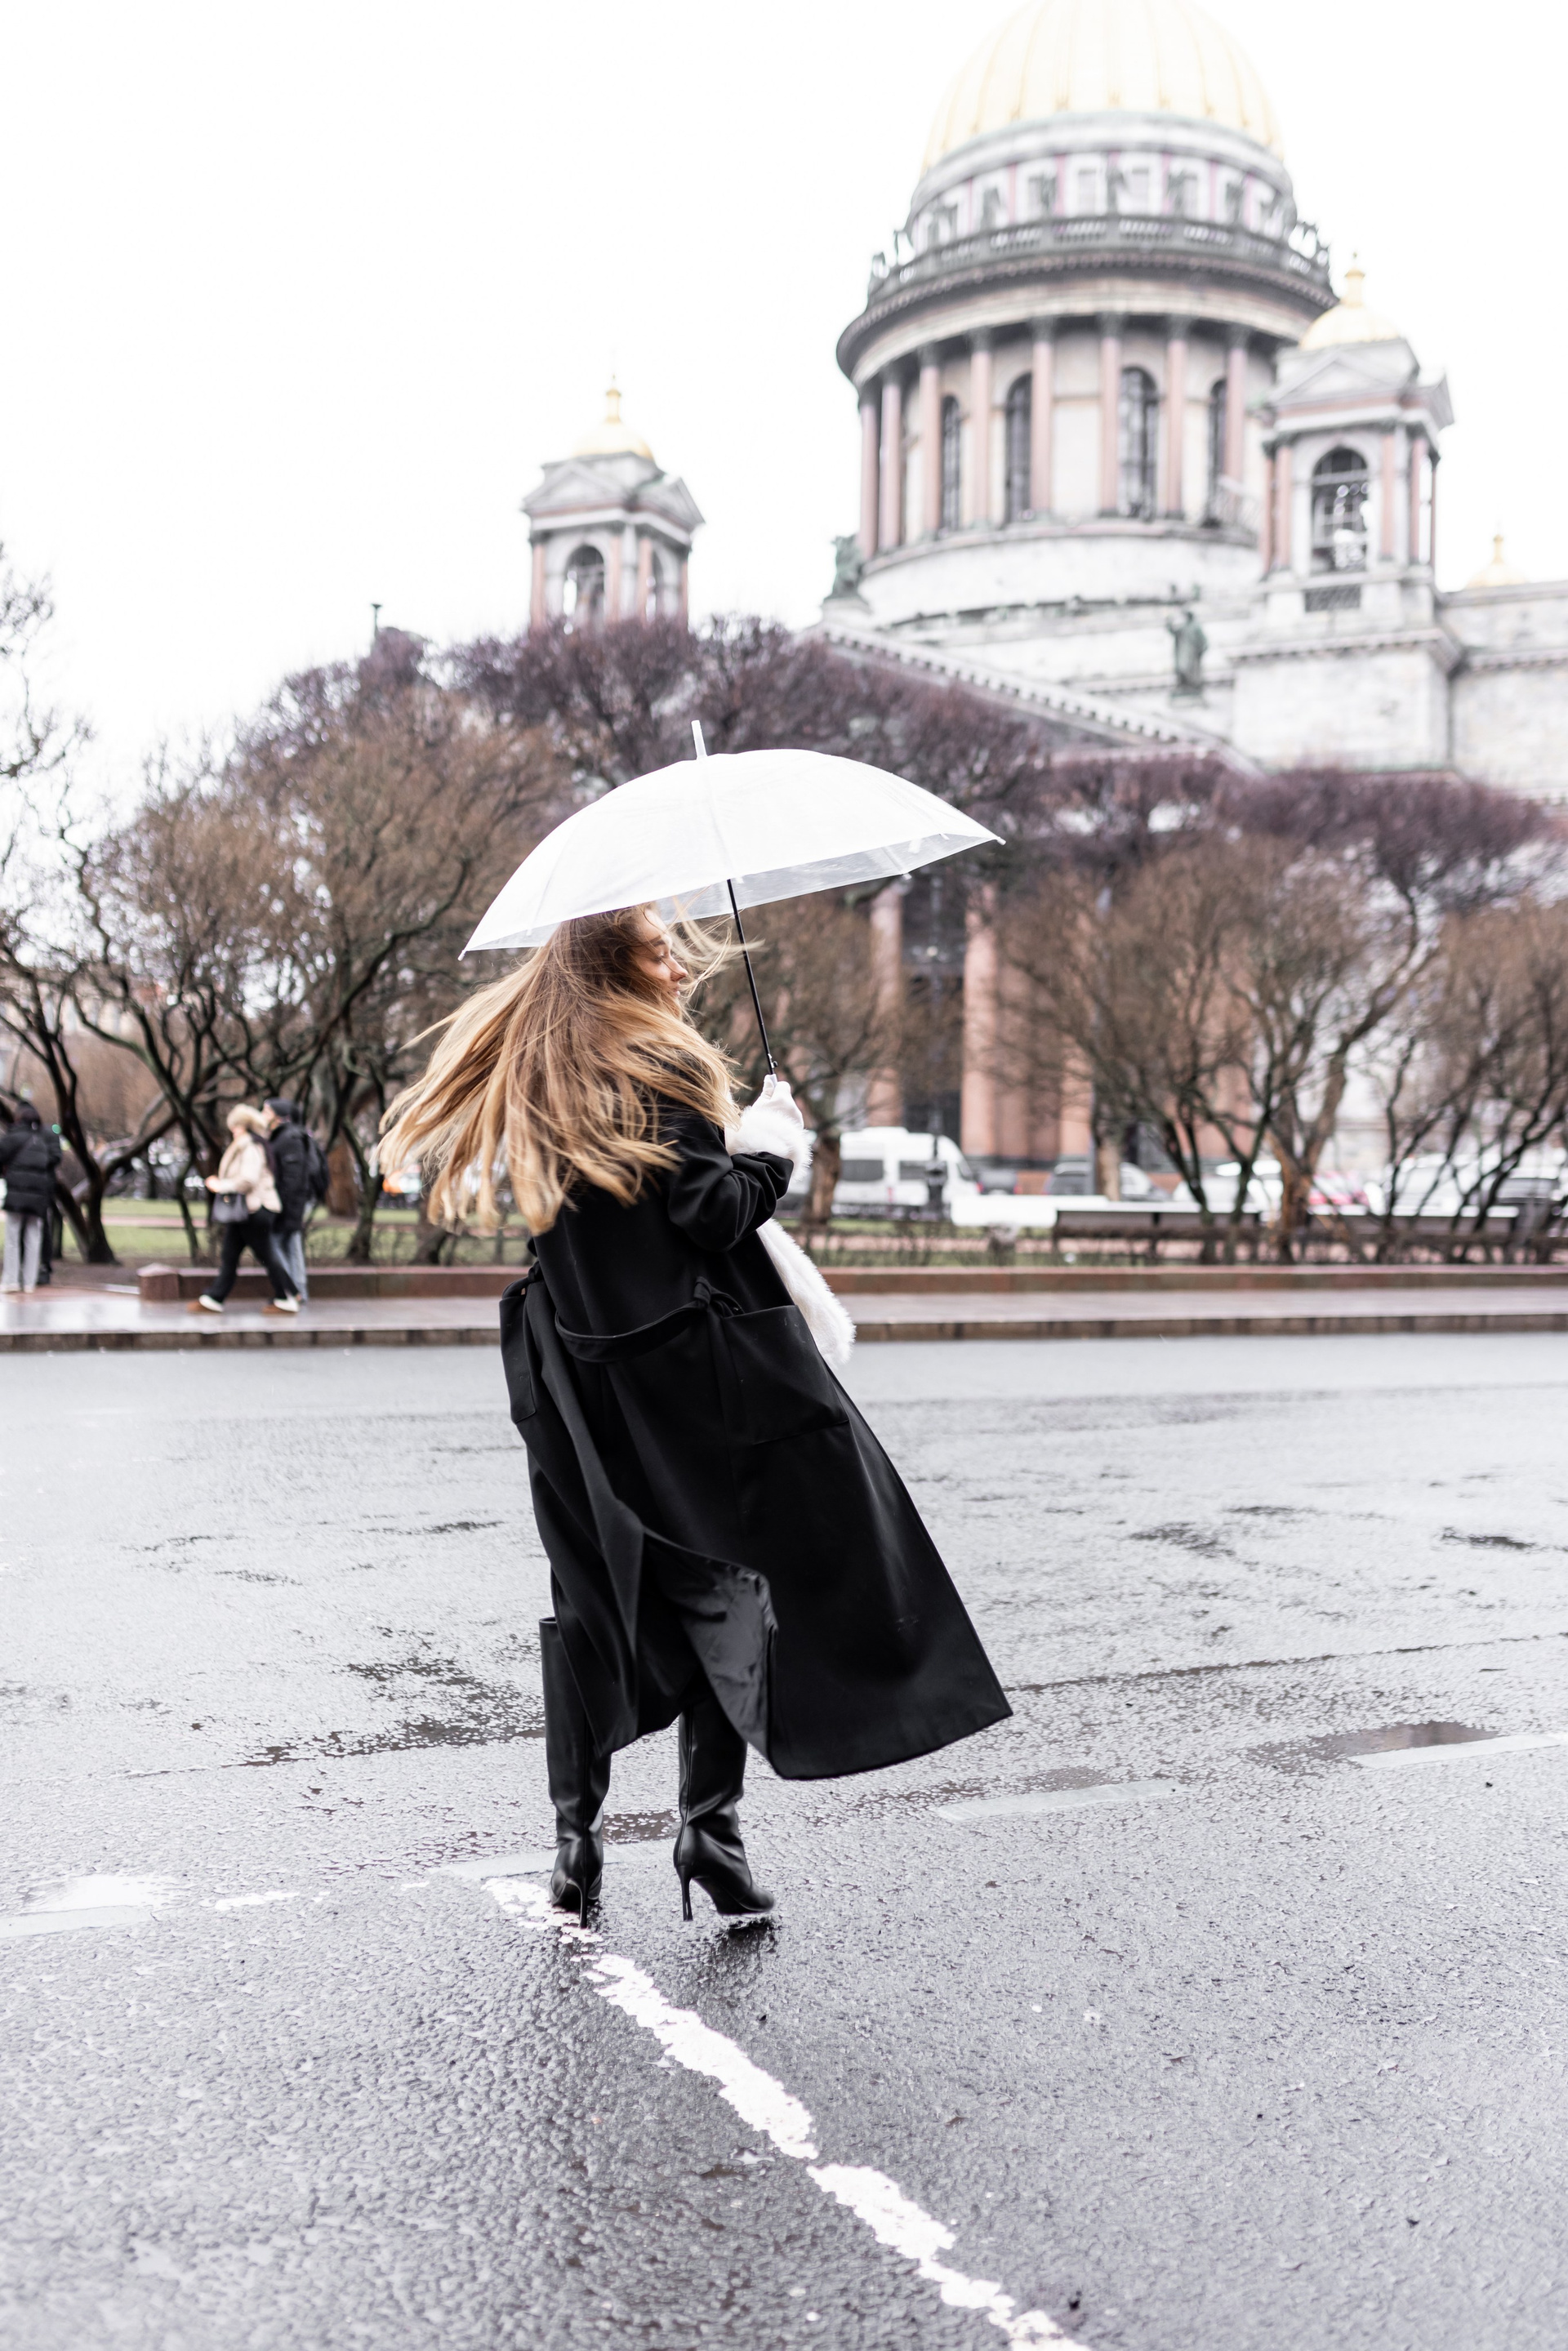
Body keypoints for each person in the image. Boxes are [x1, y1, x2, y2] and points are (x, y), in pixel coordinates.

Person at [381, 905, 1009, 1923]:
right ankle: (710, 1829)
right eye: (659, 950)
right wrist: (775, 1144)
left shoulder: (543, 1073)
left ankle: (575, 1842)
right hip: (686, 1374)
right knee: (728, 1583)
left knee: (592, 1594)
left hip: (580, 1374)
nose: (679, 966)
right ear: (616, 966)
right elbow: (710, 1213)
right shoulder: (661, 1064)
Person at [189, 1105, 301, 1316]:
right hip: (246, 1211)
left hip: (255, 1210)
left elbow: (248, 1179)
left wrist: (221, 1185)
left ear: (245, 1126)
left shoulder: (250, 1147)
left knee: (263, 1254)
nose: (233, 1129)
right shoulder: (248, 1145)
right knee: (230, 1254)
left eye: (237, 1125)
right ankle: (215, 1298)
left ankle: (287, 1296)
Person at [262, 1098, 323, 1302]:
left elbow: (293, 1176)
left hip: (289, 1203)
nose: (263, 1116)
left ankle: (292, 1291)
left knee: (277, 1244)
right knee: (290, 1245)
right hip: (290, 1202)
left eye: (266, 1112)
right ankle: (296, 1292)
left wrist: (282, 1204)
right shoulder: (285, 1136)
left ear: (278, 1116)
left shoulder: (289, 1138)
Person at [0, 1103, 63, 1293]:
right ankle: (30, 1281)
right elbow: (50, 1162)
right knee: (34, 1237)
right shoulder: (42, 1141)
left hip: (17, 1195)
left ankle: (11, 1280)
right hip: (38, 1196)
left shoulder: (12, 1138)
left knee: (13, 1237)